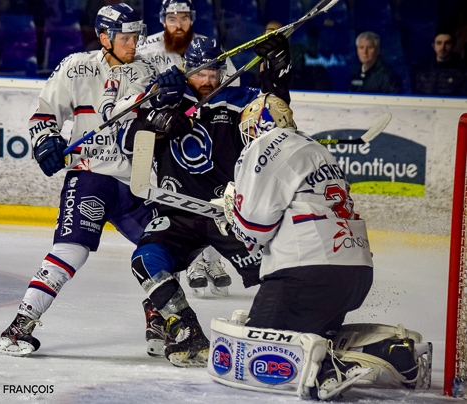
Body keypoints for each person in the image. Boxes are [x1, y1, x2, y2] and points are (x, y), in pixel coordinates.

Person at [214, 93, 430, 398]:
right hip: (353, 272)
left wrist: (232, 213)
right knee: (313, 335)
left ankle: (326, 369)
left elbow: (255, 228)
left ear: (256, 126)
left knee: (255, 349)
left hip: (306, 271)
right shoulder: (315, 149)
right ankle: (390, 351)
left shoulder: (263, 145)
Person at [0, 3, 158, 357]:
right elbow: (44, 114)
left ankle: (160, 319)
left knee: (163, 247)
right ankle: (21, 325)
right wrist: (45, 141)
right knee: (71, 250)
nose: (133, 43)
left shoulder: (149, 71)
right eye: (125, 37)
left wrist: (171, 89)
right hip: (89, 175)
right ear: (104, 38)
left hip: (138, 181)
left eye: (135, 37)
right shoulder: (76, 67)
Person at [121, 34, 293, 367]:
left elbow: (275, 116)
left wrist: (277, 72)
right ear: (186, 69)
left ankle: (300, 328)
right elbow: (129, 142)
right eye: (201, 72)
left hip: (231, 214)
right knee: (145, 260)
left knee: (278, 271)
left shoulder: (237, 97)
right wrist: (156, 111)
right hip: (177, 212)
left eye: (215, 71)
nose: (209, 80)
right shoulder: (168, 93)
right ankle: (184, 327)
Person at [137, 0, 235, 298]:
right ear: (162, 19)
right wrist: (158, 99)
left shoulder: (210, 50)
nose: (178, 23)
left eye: (183, 17)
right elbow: (138, 95)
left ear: (192, 19)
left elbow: (228, 93)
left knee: (216, 185)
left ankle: (211, 257)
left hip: (207, 127)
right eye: (171, 17)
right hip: (169, 129)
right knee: (183, 187)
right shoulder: (145, 50)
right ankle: (193, 258)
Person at [411, 31, 467, 96]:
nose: (442, 47)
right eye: (439, 43)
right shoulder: (422, 69)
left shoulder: (461, 71)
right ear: (433, 46)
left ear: (453, 46)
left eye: (447, 43)